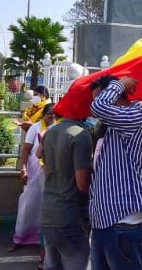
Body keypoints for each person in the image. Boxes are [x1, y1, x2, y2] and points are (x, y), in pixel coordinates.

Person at [88, 75, 142, 270]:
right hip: (105, 225)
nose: (96, 105)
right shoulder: (111, 129)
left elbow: (99, 107)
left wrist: (120, 83)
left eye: (102, 96)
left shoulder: (138, 117)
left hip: (126, 225)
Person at [40, 110, 93, 270]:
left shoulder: (51, 131)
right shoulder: (80, 135)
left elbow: (40, 157)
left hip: (48, 213)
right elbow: (82, 184)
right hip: (70, 216)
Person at [9, 104, 55, 254]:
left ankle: (43, 242)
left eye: (55, 114)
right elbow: (27, 150)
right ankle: (20, 238)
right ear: (44, 115)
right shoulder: (35, 128)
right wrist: (23, 168)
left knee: (47, 206)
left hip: (51, 173)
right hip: (34, 170)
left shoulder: (57, 128)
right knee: (27, 203)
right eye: (49, 114)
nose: (52, 117)